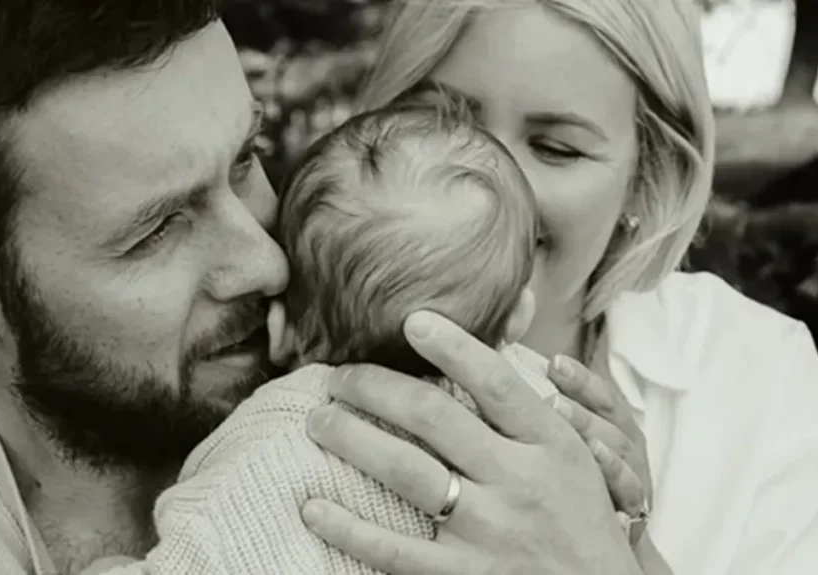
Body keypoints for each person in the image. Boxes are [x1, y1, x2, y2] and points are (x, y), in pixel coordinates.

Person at [0, 2, 669, 575]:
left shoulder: (486, 445)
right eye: (156, 229)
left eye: (247, 160)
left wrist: (617, 547)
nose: (267, 262)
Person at [303, 0, 818, 573]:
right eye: (442, 126)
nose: (489, 184)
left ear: (647, 177)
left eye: (556, 149)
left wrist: (613, 554)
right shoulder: (281, 341)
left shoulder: (754, 374)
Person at [86, 95, 572, 574]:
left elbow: (207, 551)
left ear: (281, 328)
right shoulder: (549, 419)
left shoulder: (273, 445)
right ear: (518, 315)